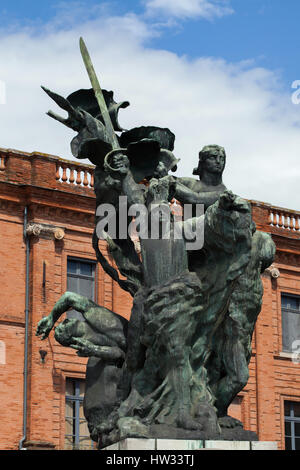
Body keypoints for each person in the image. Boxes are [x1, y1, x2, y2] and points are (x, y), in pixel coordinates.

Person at [174, 144, 226, 211]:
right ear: (203, 162)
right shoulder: (190, 183)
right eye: (213, 157)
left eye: (222, 158)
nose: (218, 161)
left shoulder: (223, 192)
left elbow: (194, 199)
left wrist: (170, 183)